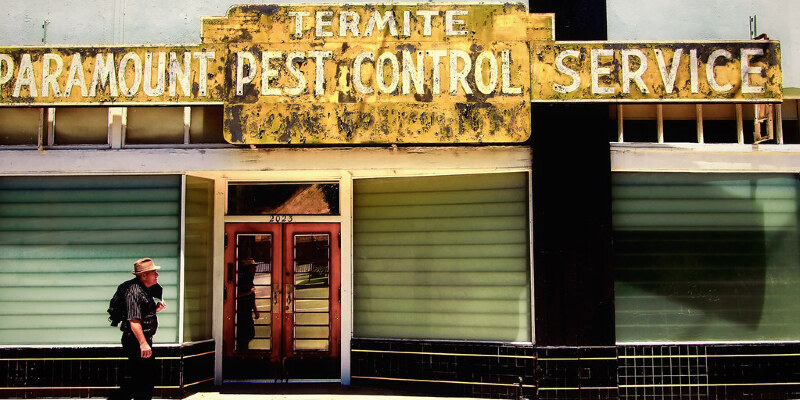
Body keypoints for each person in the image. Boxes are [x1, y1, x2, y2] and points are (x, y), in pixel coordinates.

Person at [111, 258, 166, 400]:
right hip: (136, 342)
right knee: (143, 379)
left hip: (141, 341)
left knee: (144, 377)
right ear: (143, 275)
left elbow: (140, 314)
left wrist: (155, 309)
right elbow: (133, 320)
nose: (157, 275)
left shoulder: (143, 289)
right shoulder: (134, 291)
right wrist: (143, 343)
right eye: (154, 272)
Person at [236, 258, 259, 351]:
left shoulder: (249, 278)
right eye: (253, 267)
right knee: (247, 334)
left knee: (249, 333)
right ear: (248, 268)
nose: (255, 269)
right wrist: (249, 292)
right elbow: (235, 295)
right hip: (242, 311)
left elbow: (251, 296)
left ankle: (244, 350)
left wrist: (255, 310)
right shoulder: (243, 278)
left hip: (246, 311)